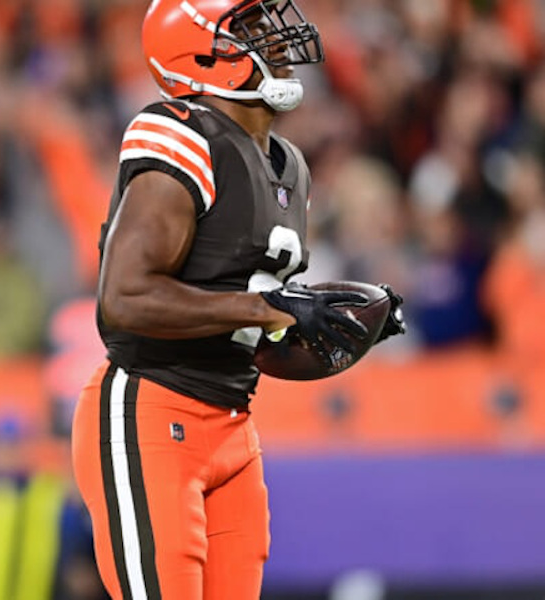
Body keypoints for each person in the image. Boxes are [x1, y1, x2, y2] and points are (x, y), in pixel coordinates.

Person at [70, 2, 406, 600]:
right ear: (199, 53)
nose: (276, 41)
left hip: (232, 423)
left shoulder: (290, 165)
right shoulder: (180, 134)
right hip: (152, 408)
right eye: (250, 30)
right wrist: (271, 309)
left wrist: (333, 325)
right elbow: (123, 298)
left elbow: (256, 334)